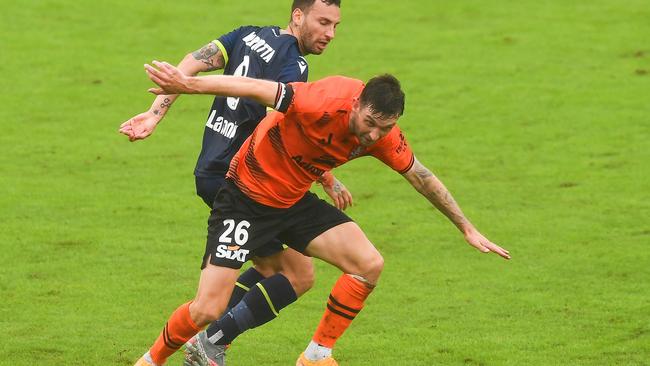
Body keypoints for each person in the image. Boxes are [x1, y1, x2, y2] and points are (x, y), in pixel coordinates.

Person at [136, 61, 511, 366]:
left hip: (293, 201)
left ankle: (316, 356)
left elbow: (422, 177)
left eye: (385, 128)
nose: (373, 136)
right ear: (357, 105)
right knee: (207, 307)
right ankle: (151, 361)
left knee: (367, 264)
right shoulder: (321, 100)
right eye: (370, 123)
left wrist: (466, 227)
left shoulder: (383, 136)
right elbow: (252, 87)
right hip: (244, 199)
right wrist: (187, 84)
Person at [120, 1, 346, 365]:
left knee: (281, 269)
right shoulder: (294, 65)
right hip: (242, 184)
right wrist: (325, 174)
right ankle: (205, 344)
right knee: (297, 274)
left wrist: (155, 113)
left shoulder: (246, 34)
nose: (329, 34)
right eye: (323, 23)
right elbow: (283, 131)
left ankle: (206, 342)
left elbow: (191, 63)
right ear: (298, 16)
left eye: (335, 25)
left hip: (209, 171)